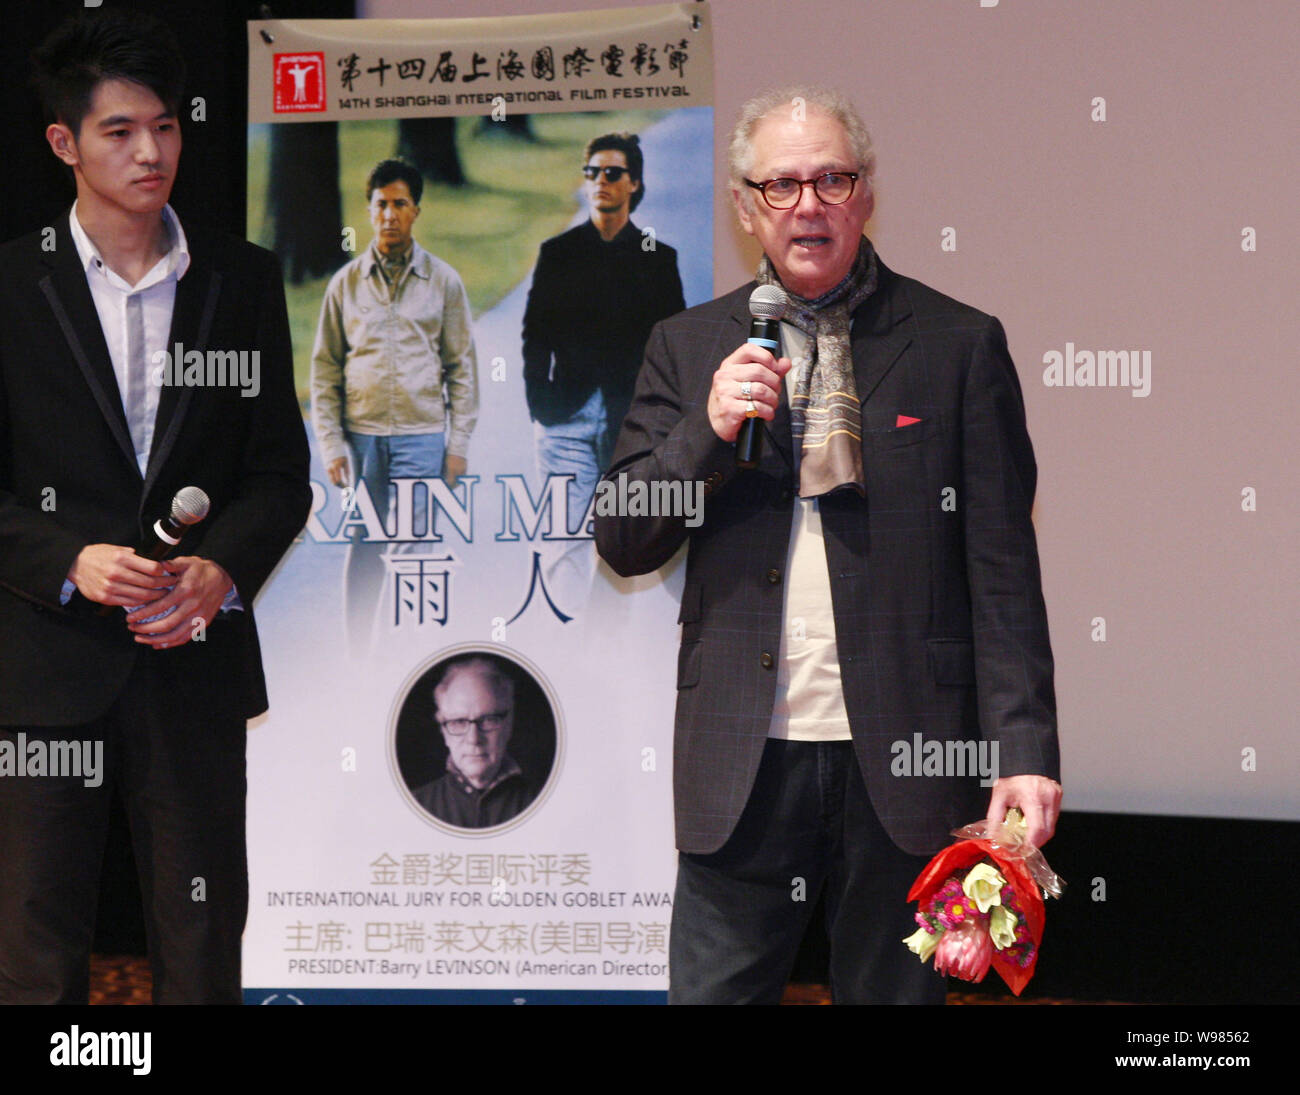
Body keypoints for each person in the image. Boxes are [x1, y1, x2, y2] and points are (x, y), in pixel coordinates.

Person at [594, 86, 1061, 1004]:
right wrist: (706, 429)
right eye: (782, 185)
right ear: (744, 206)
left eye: (831, 180)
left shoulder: (957, 343)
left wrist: (1026, 749)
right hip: (742, 757)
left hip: (908, 767)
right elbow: (624, 538)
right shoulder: (689, 348)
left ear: (866, 193)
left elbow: (1003, 569)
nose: (808, 205)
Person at [0, 10, 311, 1004]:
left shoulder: (241, 281)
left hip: (192, 660)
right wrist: (67, 558)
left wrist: (221, 567)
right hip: (46, 663)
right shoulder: (9, 286)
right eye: (121, 131)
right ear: (65, 143)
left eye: (167, 127)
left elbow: (278, 473)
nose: (151, 151)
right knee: (35, 936)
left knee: (203, 928)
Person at [311, 158, 477, 651]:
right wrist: (332, 443)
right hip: (361, 440)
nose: (389, 214)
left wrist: (458, 442)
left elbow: (462, 368)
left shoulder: (443, 282)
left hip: (422, 437)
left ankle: (407, 655)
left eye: (399, 203)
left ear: (416, 210)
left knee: (415, 545)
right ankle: (358, 654)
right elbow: (324, 370)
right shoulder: (345, 284)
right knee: (365, 544)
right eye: (380, 204)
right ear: (369, 210)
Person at [522, 133, 684, 613]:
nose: (599, 182)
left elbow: (673, 347)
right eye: (591, 172)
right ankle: (565, 649)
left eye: (612, 173)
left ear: (633, 182)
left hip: (628, 427)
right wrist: (540, 405)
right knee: (562, 543)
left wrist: (659, 421)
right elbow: (535, 337)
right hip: (564, 418)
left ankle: (600, 656)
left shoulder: (659, 257)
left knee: (621, 547)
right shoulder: (558, 253)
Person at [412, 655, 538, 828]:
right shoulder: (415, 805)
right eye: (458, 722)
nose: (473, 739)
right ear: (444, 732)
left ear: (508, 725)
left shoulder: (544, 803)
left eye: (488, 720)